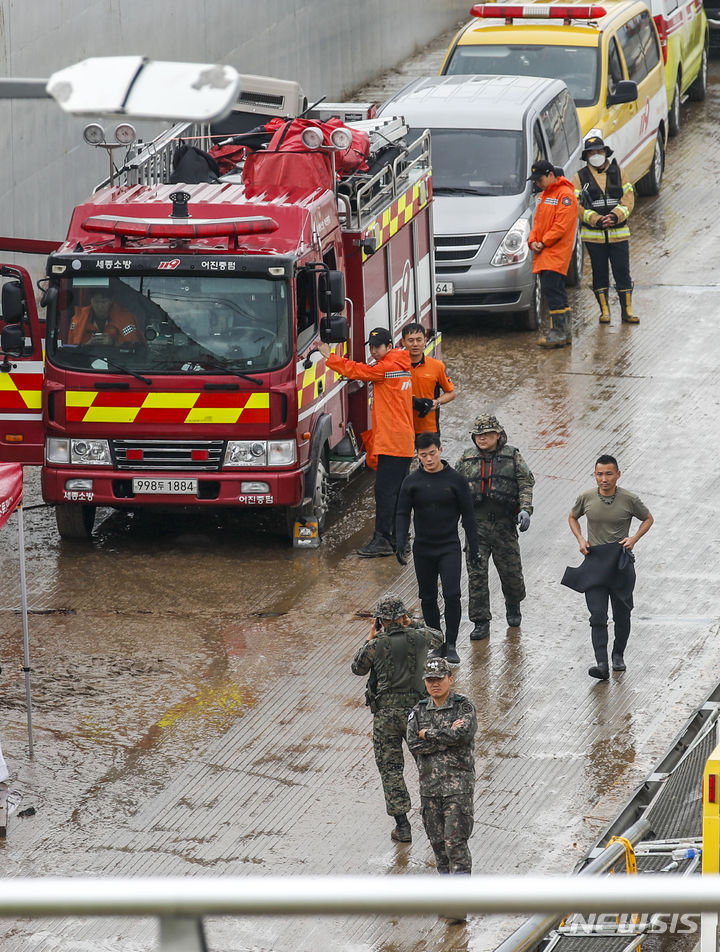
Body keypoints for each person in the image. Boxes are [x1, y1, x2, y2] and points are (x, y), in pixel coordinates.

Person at [351, 594, 443, 843]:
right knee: (428, 766)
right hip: (417, 714)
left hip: (386, 716)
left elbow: (357, 668)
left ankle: (403, 827)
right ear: (402, 616)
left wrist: (370, 636)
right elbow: (439, 637)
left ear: (380, 620)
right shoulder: (420, 636)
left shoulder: (375, 645)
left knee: (391, 770)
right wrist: (411, 623)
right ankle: (437, 819)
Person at [318, 328, 414, 557]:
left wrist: (329, 357)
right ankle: (401, 539)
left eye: (377, 347)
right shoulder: (401, 364)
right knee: (398, 493)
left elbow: (359, 371)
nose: (373, 351)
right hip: (401, 441)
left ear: (389, 347)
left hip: (393, 442)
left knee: (385, 493)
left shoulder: (388, 367)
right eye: (371, 347)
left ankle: (384, 540)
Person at [566, 454, 654, 680]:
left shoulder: (629, 499)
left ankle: (618, 655)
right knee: (597, 615)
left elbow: (648, 518)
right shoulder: (586, 497)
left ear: (617, 474)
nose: (604, 479)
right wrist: (580, 539)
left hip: (620, 563)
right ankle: (602, 664)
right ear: (595, 475)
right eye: (599, 474)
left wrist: (633, 539)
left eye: (608, 474)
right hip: (595, 561)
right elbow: (572, 517)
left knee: (622, 614)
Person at [395, 432, 480, 665]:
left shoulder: (456, 480)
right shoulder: (411, 482)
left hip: (448, 546)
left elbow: (468, 515)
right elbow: (402, 513)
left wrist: (474, 546)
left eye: (432, 453)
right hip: (423, 548)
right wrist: (400, 541)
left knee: (452, 594)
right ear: (418, 456)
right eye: (423, 455)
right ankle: (437, 642)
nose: (429, 459)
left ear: (440, 450)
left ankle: (451, 644)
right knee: (428, 596)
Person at [455, 414, 535, 642]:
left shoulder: (512, 456)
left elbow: (526, 482)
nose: (482, 439)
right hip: (475, 526)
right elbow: (453, 485)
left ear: (497, 435)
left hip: (504, 525)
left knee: (511, 572)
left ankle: (513, 604)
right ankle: (481, 621)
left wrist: (526, 509)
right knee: (476, 575)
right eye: (479, 435)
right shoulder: (466, 458)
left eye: (487, 434)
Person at [407, 656, 477, 902]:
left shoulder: (463, 706)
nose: (434, 684)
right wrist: (446, 736)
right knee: (438, 846)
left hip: (457, 788)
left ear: (450, 679)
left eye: (439, 679)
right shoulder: (418, 711)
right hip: (430, 789)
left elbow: (464, 734)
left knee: (455, 845)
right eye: (430, 680)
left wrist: (430, 734)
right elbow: (415, 744)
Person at [573, 132, 638, 325]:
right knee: (599, 273)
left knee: (622, 272)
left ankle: (627, 311)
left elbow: (629, 199)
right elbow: (575, 205)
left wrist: (615, 216)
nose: (596, 154)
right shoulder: (580, 177)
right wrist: (595, 219)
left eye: (599, 151)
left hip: (619, 236)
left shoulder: (619, 172)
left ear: (605, 152)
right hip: (594, 238)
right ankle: (604, 312)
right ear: (586, 156)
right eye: (592, 152)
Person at [527, 159, 578, 348]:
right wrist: (533, 241)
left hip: (555, 253)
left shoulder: (565, 195)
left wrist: (543, 241)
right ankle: (564, 333)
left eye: (540, 179)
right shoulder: (545, 195)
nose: (538, 184)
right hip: (545, 252)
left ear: (550, 175)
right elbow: (538, 223)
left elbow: (561, 226)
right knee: (555, 292)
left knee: (553, 292)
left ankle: (558, 333)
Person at [401, 323, 456, 436]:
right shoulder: (396, 367)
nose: (415, 344)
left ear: (425, 341)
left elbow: (451, 393)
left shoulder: (437, 366)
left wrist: (437, 402)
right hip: (403, 429)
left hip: (429, 429)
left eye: (419, 340)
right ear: (403, 342)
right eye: (410, 340)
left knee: (429, 454)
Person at [68, 287, 144, 346]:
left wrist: (113, 343)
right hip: (86, 362)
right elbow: (71, 349)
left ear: (111, 301)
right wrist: (88, 345)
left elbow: (135, 347)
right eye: (96, 302)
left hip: (119, 363)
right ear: (90, 300)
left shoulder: (126, 318)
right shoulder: (78, 318)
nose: (100, 306)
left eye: (104, 302)